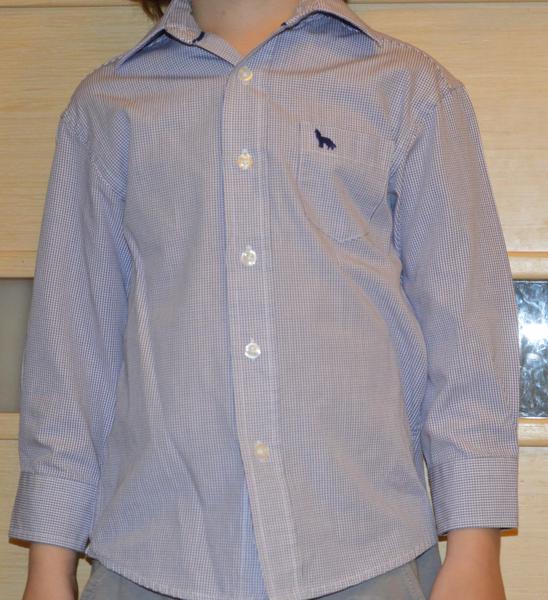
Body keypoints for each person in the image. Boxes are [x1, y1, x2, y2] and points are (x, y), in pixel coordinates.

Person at [9, 0, 520, 599]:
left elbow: (466, 328)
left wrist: (475, 547)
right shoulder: (107, 105)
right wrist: (49, 565)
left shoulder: (409, 90)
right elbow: (72, 346)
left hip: (366, 557)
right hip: (154, 559)